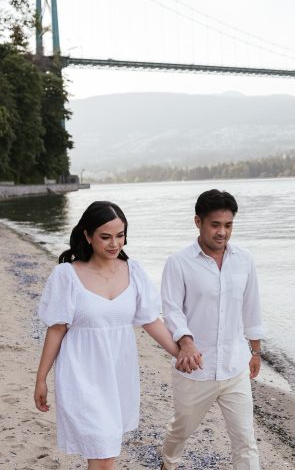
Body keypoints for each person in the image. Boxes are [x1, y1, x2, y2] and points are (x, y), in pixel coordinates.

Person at [34, 201, 180, 470]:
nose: (115, 244)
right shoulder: (67, 276)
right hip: (81, 375)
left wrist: (181, 352)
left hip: (118, 376)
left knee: (105, 453)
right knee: (103, 456)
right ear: (88, 236)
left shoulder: (133, 271)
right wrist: (41, 378)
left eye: (120, 235)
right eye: (105, 237)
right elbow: (56, 329)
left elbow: (150, 320)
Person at [160, 189, 265, 470]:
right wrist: (186, 341)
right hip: (195, 369)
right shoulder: (178, 263)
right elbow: (171, 310)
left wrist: (255, 351)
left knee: (245, 440)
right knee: (180, 431)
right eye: (215, 225)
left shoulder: (244, 260)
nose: (222, 232)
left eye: (228, 225)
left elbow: (251, 307)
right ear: (198, 222)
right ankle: (167, 464)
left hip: (235, 367)